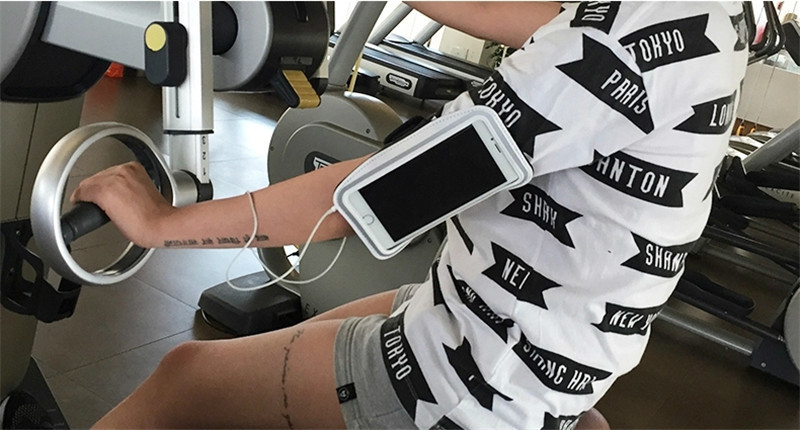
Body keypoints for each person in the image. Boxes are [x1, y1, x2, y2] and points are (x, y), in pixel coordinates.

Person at [75, 2, 748, 429]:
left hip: (478, 374)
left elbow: (377, 194)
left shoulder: (617, 44)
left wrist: (160, 223)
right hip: (511, 329)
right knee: (311, 340)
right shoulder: (711, 17)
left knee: (183, 383)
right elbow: (517, 13)